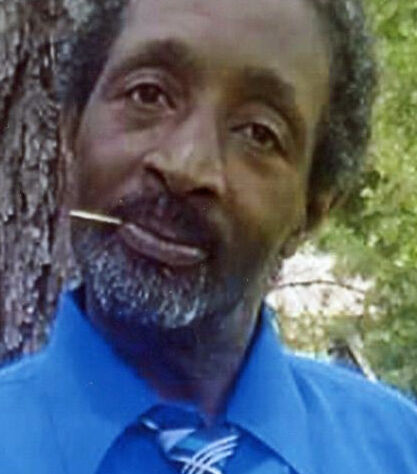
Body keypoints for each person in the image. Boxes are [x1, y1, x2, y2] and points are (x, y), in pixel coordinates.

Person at [1, 0, 416, 472]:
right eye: (149, 94)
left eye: (259, 133)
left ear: (312, 212)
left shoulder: (398, 452)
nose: (185, 167)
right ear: (71, 127)